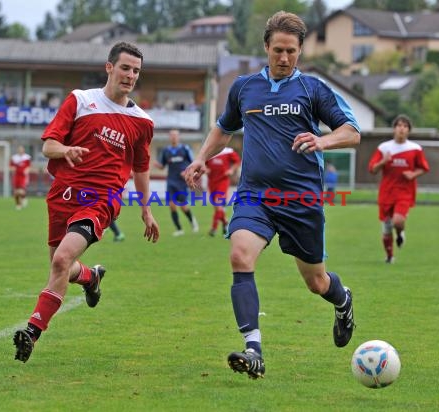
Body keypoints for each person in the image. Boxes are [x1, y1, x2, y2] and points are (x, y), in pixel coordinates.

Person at [183, 11, 360, 379]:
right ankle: (254, 349)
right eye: (278, 50)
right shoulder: (245, 88)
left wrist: (322, 140)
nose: (284, 58)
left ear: (299, 51)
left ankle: (342, 301)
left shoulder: (312, 89)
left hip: (301, 201)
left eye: (291, 51)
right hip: (255, 196)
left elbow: (352, 132)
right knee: (239, 255)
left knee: (316, 282)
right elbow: (222, 129)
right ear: (266, 47)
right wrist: (201, 158)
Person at [13, 41, 160, 363]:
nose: (130, 75)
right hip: (63, 194)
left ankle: (32, 332)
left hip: (101, 200)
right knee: (62, 266)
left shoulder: (142, 122)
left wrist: (147, 210)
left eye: (136, 71)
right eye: (125, 68)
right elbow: (48, 146)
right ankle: (91, 277)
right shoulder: (81, 100)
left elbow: (141, 167)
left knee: (60, 260)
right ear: (109, 67)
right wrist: (65, 151)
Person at [368, 114, 430, 264]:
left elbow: (424, 168)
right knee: (386, 228)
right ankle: (389, 256)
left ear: (408, 130)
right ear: (394, 129)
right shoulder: (384, 148)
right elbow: (372, 169)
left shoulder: (415, 148)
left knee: (398, 221)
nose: (402, 129)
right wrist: (383, 161)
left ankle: (401, 232)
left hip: (405, 192)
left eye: (405, 126)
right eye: (399, 125)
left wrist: (413, 174)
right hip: (386, 192)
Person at [154, 129, 199, 236]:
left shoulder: (185, 149)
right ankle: (179, 229)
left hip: (181, 182)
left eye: (175, 135)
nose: (173, 137)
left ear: (178, 137)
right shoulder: (166, 151)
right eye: (172, 135)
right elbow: (162, 166)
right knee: (172, 205)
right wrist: (156, 164)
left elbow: (193, 163)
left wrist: (186, 172)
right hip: (171, 180)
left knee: (183, 206)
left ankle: (192, 221)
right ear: (169, 137)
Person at [205, 146, 241, 237]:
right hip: (212, 182)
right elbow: (202, 163)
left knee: (218, 203)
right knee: (217, 207)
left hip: (223, 181)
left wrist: (231, 170)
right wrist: (205, 169)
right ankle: (225, 222)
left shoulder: (228, 151)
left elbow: (237, 161)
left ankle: (213, 228)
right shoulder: (210, 150)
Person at [10, 145, 31, 210]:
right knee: (16, 191)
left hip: (23, 176)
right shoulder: (14, 158)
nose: (20, 150)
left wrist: (27, 170)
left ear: (23, 150)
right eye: (19, 149)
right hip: (16, 176)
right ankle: (18, 205)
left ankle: (24, 198)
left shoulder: (27, 157)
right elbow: (11, 166)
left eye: (21, 149)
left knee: (21, 191)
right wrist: (12, 169)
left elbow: (29, 166)